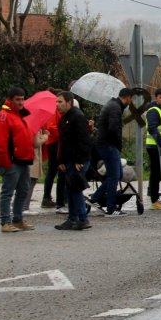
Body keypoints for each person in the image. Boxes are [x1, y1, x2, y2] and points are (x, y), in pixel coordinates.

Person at [0, 87, 38, 233]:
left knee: (23, 190)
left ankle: (17, 219)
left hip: (23, 160)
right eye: (18, 99)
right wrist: (6, 162)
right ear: (11, 99)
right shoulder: (4, 116)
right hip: (12, 161)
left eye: (22, 99)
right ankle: (5, 222)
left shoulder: (18, 115)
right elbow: (1, 142)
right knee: (7, 192)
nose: (21, 102)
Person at [90, 87, 132, 217]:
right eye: (131, 99)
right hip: (109, 145)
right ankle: (111, 207)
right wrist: (118, 145)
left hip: (104, 144)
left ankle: (95, 198)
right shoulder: (115, 108)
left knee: (116, 175)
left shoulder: (112, 105)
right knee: (114, 176)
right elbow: (114, 129)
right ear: (127, 98)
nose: (130, 102)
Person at [54, 91, 92, 231]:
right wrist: (61, 161)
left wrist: (79, 160)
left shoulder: (77, 116)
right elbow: (64, 143)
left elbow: (83, 140)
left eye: (60, 102)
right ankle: (72, 218)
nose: (57, 105)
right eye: (56, 102)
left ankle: (82, 218)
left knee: (75, 188)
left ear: (69, 102)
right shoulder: (63, 118)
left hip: (78, 160)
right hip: (68, 160)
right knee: (70, 189)